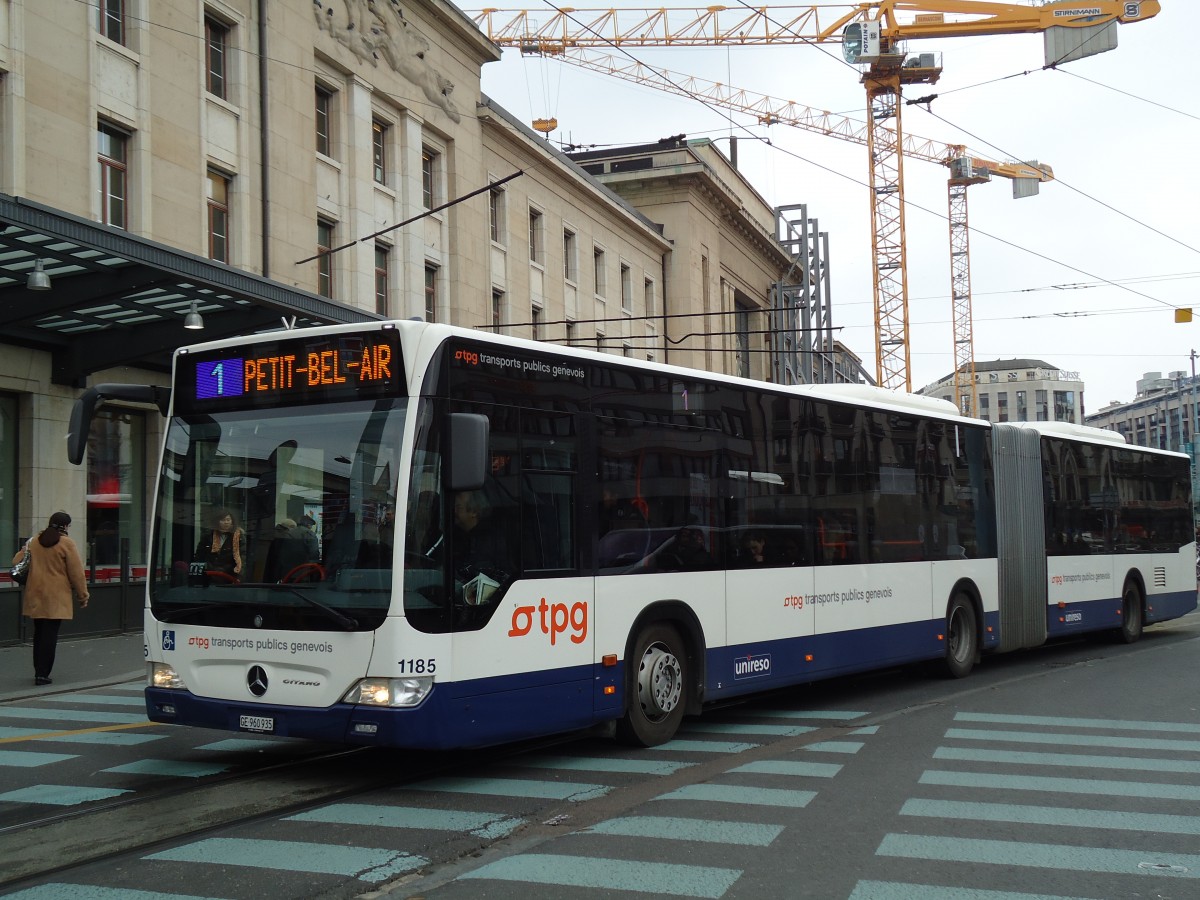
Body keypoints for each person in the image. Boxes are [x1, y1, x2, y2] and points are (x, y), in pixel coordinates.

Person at [11, 511, 89, 686]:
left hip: (35, 594)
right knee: (50, 635)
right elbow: (76, 573)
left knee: (39, 633)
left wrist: (25, 549)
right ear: (66, 526)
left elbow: (16, 561)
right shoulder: (67, 543)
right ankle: (43, 674)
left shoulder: (35, 541)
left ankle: (38, 670)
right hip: (56, 596)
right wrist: (82, 595)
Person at [194, 508, 243, 582]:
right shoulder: (208, 536)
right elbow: (199, 556)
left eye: (228, 520)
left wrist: (239, 576)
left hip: (229, 577)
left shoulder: (239, 537)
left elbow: (243, 557)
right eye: (223, 520)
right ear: (217, 521)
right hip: (209, 576)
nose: (226, 522)